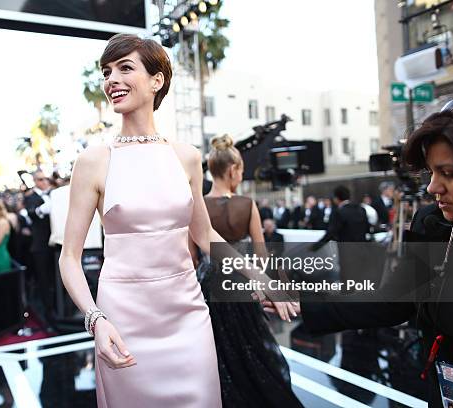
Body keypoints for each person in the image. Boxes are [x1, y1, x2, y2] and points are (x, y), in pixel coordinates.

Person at [59, 34, 294, 408]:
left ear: (157, 80)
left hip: (187, 313)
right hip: (122, 317)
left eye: (125, 68)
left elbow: (204, 234)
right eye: (106, 72)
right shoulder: (94, 161)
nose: (111, 80)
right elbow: (69, 258)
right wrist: (95, 319)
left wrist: (264, 281)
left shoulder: (186, 157)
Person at [263, 106, 453, 408]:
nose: (433, 187)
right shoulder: (430, 224)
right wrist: (304, 301)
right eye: (431, 172)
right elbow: (391, 303)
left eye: (448, 173)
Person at [193, 135, 302, 407]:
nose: (241, 176)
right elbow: (261, 255)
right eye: (241, 171)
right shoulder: (246, 204)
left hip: (208, 285)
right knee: (251, 348)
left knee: (216, 352)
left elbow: (193, 257)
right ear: (232, 170)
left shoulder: (198, 207)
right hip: (243, 282)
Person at [23, 171, 57, 325]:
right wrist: (42, 210)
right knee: (43, 279)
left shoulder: (55, 194)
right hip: (40, 245)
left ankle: (57, 307)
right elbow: (31, 214)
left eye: (47, 179)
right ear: (36, 181)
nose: (45, 182)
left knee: (55, 277)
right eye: (42, 179)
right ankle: (47, 312)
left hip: (56, 243)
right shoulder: (30, 197)